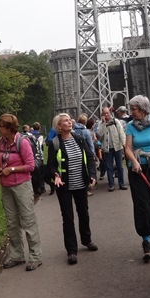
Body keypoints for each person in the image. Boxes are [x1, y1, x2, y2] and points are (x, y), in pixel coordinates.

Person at [46, 113, 98, 265]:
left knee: (84, 214)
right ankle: (71, 251)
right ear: (59, 127)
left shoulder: (80, 139)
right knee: (68, 218)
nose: (69, 122)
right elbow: (50, 165)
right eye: (65, 121)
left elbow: (89, 157)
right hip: (64, 187)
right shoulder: (54, 143)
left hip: (81, 184)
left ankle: (87, 240)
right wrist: (55, 175)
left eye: (69, 120)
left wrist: (92, 174)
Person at [123, 95, 150, 262]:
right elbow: (127, 148)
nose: (131, 112)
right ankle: (146, 241)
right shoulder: (130, 126)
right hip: (137, 169)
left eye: (134, 109)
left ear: (143, 109)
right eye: (131, 109)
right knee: (142, 204)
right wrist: (134, 161)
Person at [0, 114, 43, 271]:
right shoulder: (1, 142)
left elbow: (31, 166)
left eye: (1, 126)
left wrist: (12, 169)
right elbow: (0, 158)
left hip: (22, 185)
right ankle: (17, 255)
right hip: (6, 186)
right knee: (12, 221)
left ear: (9, 128)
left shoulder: (22, 142)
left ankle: (35, 256)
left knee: (27, 220)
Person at [96, 106, 127, 191]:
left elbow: (121, 133)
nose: (106, 115)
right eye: (104, 113)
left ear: (110, 113)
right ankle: (111, 184)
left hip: (117, 147)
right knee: (109, 167)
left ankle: (121, 183)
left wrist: (124, 145)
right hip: (107, 149)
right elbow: (99, 135)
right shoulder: (100, 124)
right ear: (102, 114)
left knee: (120, 166)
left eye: (107, 113)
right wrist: (103, 123)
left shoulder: (116, 121)